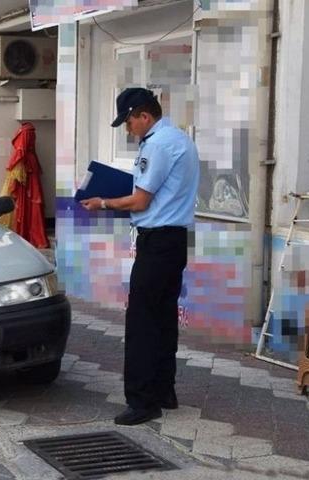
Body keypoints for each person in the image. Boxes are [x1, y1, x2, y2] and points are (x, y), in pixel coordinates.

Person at [81, 88, 199, 426]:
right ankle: (164, 390)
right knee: (163, 319)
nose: (127, 129)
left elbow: (141, 201)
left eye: (129, 122)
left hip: (157, 242)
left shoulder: (159, 144)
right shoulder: (180, 139)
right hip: (174, 241)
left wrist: (102, 202)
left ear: (144, 115)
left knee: (142, 323)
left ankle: (142, 401)